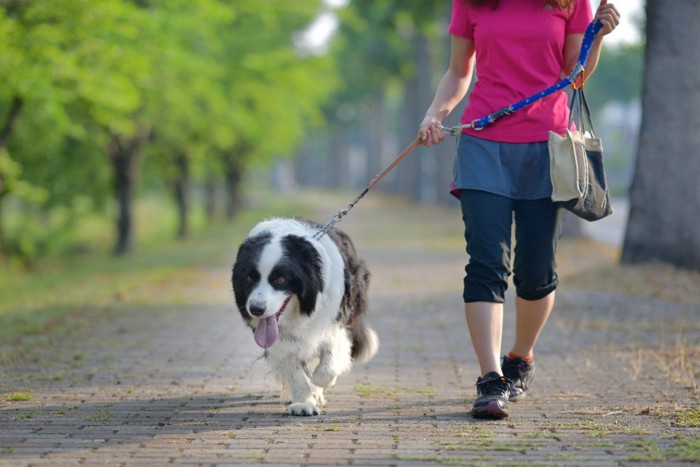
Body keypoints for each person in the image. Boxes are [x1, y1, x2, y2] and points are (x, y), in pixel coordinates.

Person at [417, 0, 619, 419]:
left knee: (536, 270)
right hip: (482, 143)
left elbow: (574, 75)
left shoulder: (570, 2)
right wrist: (435, 114)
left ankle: (519, 359)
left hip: (547, 147)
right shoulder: (470, 2)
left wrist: (596, 37)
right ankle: (490, 380)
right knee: (486, 262)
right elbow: (458, 72)